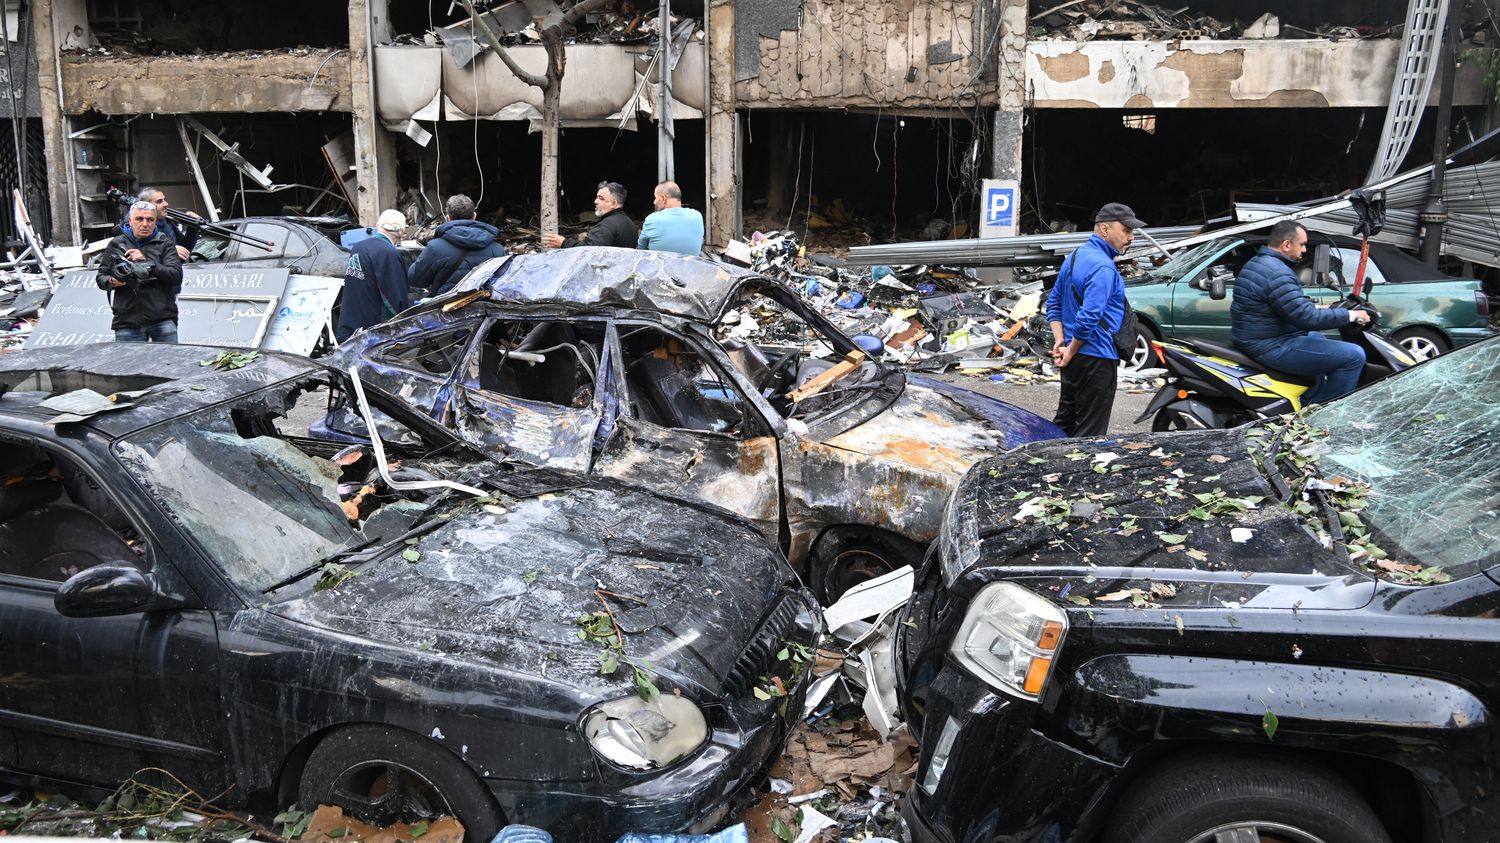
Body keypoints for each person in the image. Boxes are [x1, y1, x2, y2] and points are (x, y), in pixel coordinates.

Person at [1231, 220, 1371, 405]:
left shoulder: (1259, 263)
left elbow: (1285, 304)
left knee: (1317, 337)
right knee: (1354, 356)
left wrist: (1323, 308)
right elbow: (1306, 318)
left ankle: (1309, 400)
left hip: (1260, 336)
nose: (1305, 250)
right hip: (1270, 345)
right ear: (1287, 244)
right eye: (1302, 244)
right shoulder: (1277, 273)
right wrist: (1351, 315)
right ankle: (1326, 414)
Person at [1046, 202, 1140, 437]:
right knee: (1090, 436)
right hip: (1096, 359)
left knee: (1064, 426)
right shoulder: (1103, 267)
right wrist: (1071, 348)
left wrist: (1061, 342)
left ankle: (1048, 470)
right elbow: (1089, 316)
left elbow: (1054, 303)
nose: (1131, 237)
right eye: (1126, 231)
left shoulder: (1075, 256)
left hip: (1073, 359)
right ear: (1105, 229)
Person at [95, 200, 185, 343]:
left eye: (150, 220)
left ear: (155, 221)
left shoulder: (165, 243)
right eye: (139, 219)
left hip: (162, 318)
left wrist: (148, 264)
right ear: (130, 220)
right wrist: (111, 281)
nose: (145, 224)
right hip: (127, 319)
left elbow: (175, 276)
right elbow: (101, 277)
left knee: (168, 364)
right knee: (129, 365)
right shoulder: (116, 243)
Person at [407, 194, 508, 297]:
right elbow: (504, 285)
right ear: (474, 216)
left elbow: (416, 280)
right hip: (485, 310)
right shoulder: (497, 250)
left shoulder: (435, 247)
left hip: (445, 308)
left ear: (448, 217)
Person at [336, 209, 410, 342]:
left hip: (351, 328)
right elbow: (396, 298)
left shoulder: (359, 247)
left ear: (378, 225)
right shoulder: (388, 253)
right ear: (401, 231)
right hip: (372, 334)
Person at [540, 181, 636, 249]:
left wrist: (564, 243)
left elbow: (588, 253)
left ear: (614, 204)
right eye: (597, 197)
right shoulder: (629, 223)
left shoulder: (606, 227)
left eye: (601, 198)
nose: (595, 201)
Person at [637, 181, 704, 256]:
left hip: (661, 267)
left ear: (663, 198)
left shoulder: (652, 219)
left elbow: (640, 251)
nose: (654, 202)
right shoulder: (697, 216)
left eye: (656, 198)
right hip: (692, 267)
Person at [137, 187, 200, 262]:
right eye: (159, 201)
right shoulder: (138, 227)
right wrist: (169, 250)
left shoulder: (168, 222)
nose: (166, 204)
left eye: (164, 200)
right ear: (147, 206)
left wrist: (192, 227)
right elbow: (141, 252)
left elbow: (185, 249)